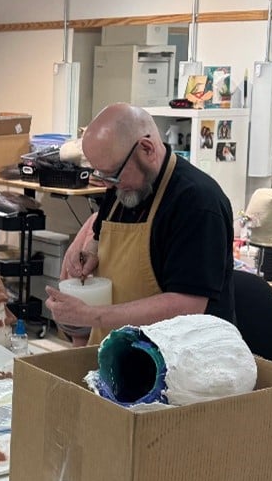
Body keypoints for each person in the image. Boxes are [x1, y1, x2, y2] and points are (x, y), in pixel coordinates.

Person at [46, 103, 235, 345]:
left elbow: (186, 306)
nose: (108, 185)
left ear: (147, 149)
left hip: (178, 357)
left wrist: (91, 315)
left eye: (112, 174)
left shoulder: (197, 203)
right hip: (122, 350)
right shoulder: (123, 187)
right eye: (101, 175)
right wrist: (89, 252)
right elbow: (99, 233)